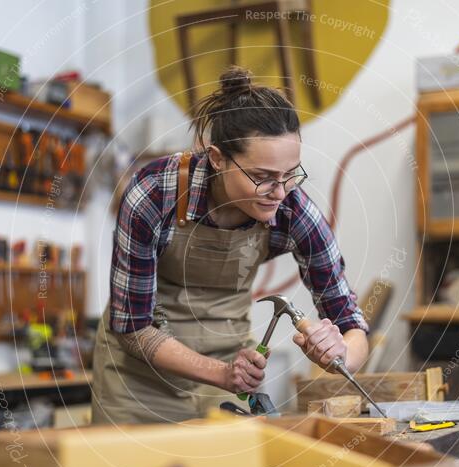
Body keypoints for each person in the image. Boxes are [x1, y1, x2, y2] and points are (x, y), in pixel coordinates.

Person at [92, 66, 369, 424]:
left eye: (290, 175)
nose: (280, 192)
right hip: (137, 380)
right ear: (218, 158)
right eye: (262, 177)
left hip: (228, 368)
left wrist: (340, 353)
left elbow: (352, 324)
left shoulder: (293, 210)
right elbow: (132, 326)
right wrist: (220, 373)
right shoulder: (155, 193)